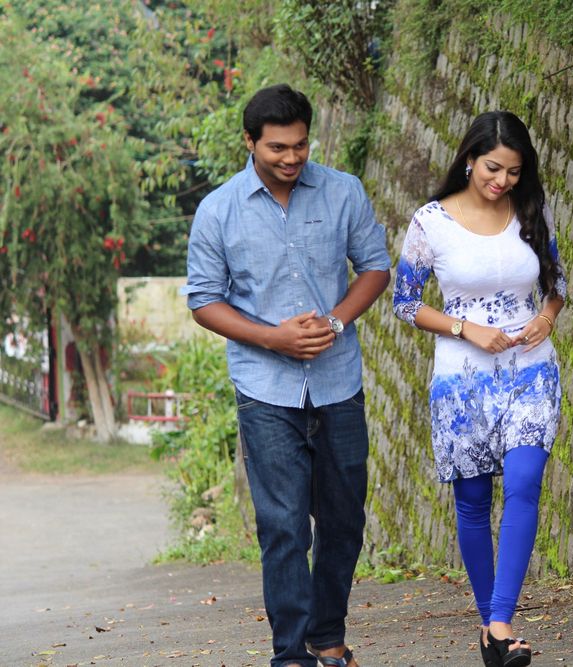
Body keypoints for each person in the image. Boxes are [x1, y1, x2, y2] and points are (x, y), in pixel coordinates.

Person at [182, 84, 390, 667]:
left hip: (338, 381)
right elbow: (204, 301)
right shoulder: (218, 210)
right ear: (249, 142)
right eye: (278, 148)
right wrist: (274, 337)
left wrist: (336, 321)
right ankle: (291, 655)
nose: (292, 157)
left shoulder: (343, 191)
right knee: (283, 527)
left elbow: (375, 267)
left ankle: (328, 637)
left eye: (300, 145)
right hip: (264, 388)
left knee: (344, 519)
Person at [392, 111, 565, 667]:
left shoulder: (531, 210)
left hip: (530, 370)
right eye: (493, 168)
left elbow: (557, 284)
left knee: (524, 482)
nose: (502, 181)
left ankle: (501, 622)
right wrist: (466, 328)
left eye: (514, 171)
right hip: (461, 380)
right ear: (470, 159)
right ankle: (493, 633)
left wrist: (546, 318)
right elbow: (405, 302)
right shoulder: (431, 222)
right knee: (472, 502)